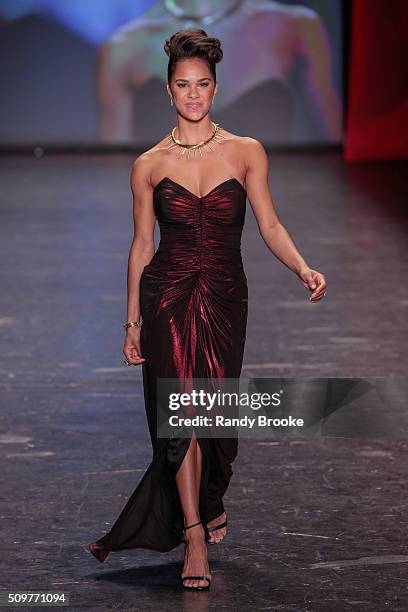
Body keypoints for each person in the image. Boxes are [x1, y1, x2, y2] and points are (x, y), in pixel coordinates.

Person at [88, 27, 327, 591]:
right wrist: (132, 322)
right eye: (181, 85)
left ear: (215, 89)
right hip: (168, 295)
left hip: (224, 295)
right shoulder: (148, 164)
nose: (192, 95)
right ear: (168, 92)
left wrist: (302, 267)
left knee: (216, 421)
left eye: (202, 85)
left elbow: (268, 223)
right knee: (184, 416)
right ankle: (193, 533)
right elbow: (142, 246)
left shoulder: (246, 152)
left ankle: (208, 500)